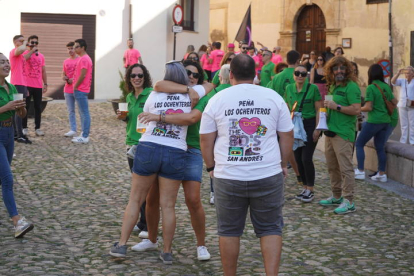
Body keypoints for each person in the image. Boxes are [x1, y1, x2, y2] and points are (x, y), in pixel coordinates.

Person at [199, 54, 294, 276]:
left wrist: (211, 167)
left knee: (229, 231)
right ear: (256, 75)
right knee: (270, 228)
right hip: (267, 173)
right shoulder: (272, 97)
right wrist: (282, 163)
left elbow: (205, 138)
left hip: (228, 175)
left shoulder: (217, 99)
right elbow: (287, 135)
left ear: (230, 75)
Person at [109, 61, 206, 263]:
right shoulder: (193, 95)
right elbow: (209, 85)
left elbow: (156, 93)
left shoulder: (154, 94)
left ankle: (121, 244)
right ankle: (167, 252)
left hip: (149, 147)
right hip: (176, 149)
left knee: (135, 199)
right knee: (168, 205)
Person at [132, 60, 214, 262]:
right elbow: (159, 84)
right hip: (166, 146)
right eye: (187, 73)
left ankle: (201, 244)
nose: (191, 76)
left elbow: (191, 118)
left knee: (192, 199)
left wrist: (157, 117)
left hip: (191, 149)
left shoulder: (202, 94)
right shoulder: (173, 89)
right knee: (152, 198)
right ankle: (152, 239)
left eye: (195, 74)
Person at [319, 56, 361, 214]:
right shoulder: (332, 86)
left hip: (343, 133)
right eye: (335, 68)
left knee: (346, 168)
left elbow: (356, 110)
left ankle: (349, 200)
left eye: (342, 68)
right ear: (330, 71)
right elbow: (330, 106)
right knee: (332, 167)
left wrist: (336, 107)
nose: (339, 71)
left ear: (347, 70)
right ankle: (336, 196)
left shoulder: (352, 87)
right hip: (330, 131)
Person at [116, 63, 153, 239]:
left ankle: (148, 225)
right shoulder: (130, 97)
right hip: (131, 143)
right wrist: (123, 117)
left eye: (140, 75)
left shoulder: (152, 95)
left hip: (146, 143)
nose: (136, 78)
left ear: (145, 77)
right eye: (133, 76)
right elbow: (130, 119)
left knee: (147, 189)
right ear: (129, 79)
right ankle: (142, 221)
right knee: (138, 187)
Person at [0, 52, 34, 238]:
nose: (6, 64)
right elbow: (6, 109)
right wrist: (8, 106)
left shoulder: (12, 86)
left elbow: (21, 115)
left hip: (8, 134)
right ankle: (17, 221)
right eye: (2, 62)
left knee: (3, 178)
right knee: (7, 179)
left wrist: (21, 107)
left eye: (7, 62)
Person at [355, 64, 398, 183]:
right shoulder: (386, 86)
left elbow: (368, 107)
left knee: (359, 143)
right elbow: (395, 101)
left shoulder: (371, 87)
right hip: (386, 121)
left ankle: (360, 171)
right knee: (380, 147)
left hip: (374, 121)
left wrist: (358, 108)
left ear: (370, 74)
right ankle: (381, 173)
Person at [285, 65, 322, 202]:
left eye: (303, 73)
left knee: (306, 158)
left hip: (309, 124)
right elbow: (287, 108)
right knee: (298, 158)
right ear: (293, 75)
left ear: (306, 75)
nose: (300, 76)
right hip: (295, 125)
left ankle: (310, 189)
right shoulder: (289, 88)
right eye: (297, 73)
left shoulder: (313, 89)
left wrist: (318, 128)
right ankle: (305, 187)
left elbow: (319, 109)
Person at [22, 35, 48, 137]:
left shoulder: (41, 56)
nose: (34, 44)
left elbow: (43, 70)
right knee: (26, 106)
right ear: (28, 43)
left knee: (38, 107)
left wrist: (45, 83)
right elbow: (23, 60)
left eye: (36, 43)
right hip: (27, 85)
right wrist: (32, 51)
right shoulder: (25, 53)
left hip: (38, 85)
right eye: (32, 42)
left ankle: (37, 128)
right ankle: (24, 127)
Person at [9, 35, 31, 144]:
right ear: (15, 42)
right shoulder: (14, 51)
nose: (23, 42)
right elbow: (21, 49)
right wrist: (25, 42)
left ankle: (15, 134)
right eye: (21, 40)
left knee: (19, 108)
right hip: (17, 84)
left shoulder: (21, 56)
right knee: (19, 109)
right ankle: (19, 135)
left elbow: (26, 54)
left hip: (21, 85)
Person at [71, 39, 93, 144]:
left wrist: (75, 86)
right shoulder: (84, 58)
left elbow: (83, 74)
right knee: (82, 112)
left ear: (83, 47)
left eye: (76, 47)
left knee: (84, 113)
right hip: (81, 89)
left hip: (81, 89)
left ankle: (85, 136)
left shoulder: (84, 59)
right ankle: (83, 133)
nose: (74, 49)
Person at [391, 66, 414, 145]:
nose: (406, 75)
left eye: (408, 73)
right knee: (403, 124)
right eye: (406, 73)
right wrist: (398, 73)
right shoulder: (402, 81)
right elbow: (393, 82)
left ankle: (412, 141)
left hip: (412, 105)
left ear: (412, 74)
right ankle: (403, 141)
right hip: (402, 104)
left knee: (412, 124)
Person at [62, 41, 80, 137]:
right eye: (68, 49)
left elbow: (82, 74)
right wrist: (64, 77)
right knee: (70, 110)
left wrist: (74, 79)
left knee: (81, 110)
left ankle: (83, 130)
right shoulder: (66, 61)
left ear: (75, 49)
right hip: (67, 89)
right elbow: (63, 73)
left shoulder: (80, 60)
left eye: (72, 48)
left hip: (78, 89)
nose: (70, 50)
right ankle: (73, 129)